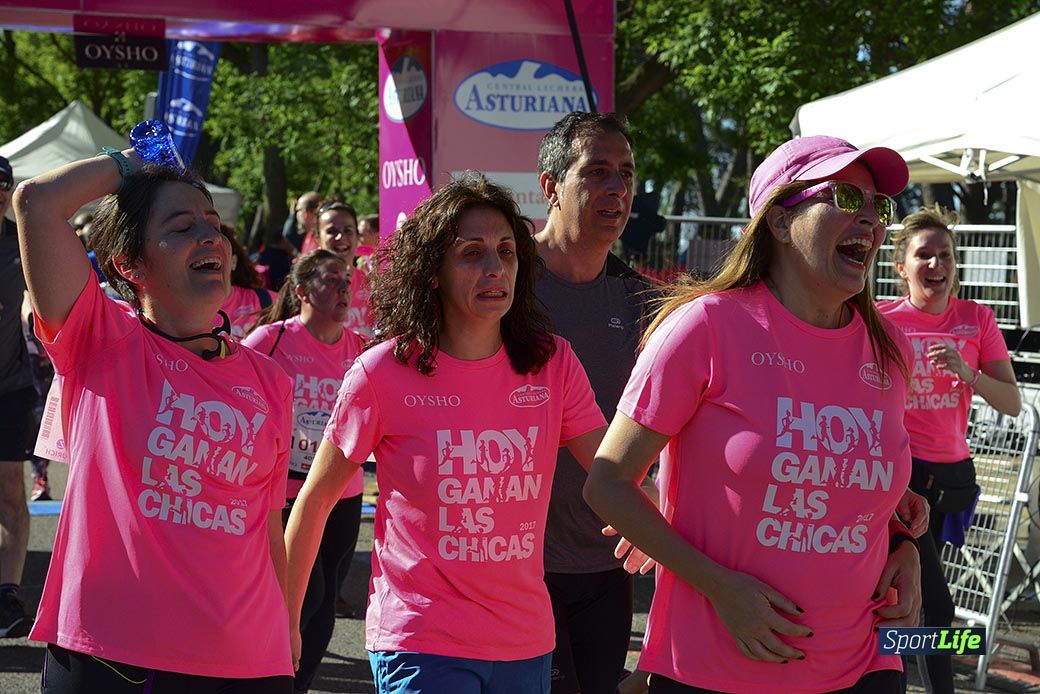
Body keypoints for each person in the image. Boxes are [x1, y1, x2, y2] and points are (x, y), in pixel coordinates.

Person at [585, 135, 927, 693]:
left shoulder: (889, 347)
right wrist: (721, 588)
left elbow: (861, 479)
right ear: (779, 221)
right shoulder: (705, 328)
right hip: (712, 667)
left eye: (878, 206)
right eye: (844, 197)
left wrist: (903, 546)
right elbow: (608, 483)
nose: (869, 219)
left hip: (862, 665)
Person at [284, 173, 609, 694]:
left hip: (525, 641)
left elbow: (615, 474)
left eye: (506, 251)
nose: (493, 267)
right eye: (471, 252)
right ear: (432, 271)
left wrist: (670, 540)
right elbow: (316, 500)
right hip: (419, 639)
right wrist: (286, 620)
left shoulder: (554, 364)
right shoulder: (381, 372)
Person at [14, 149, 294, 692]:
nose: (210, 235)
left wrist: (284, 631)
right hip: (114, 656)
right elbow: (38, 202)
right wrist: (137, 159)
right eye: (182, 225)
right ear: (130, 264)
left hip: (246, 660)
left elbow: (266, 526)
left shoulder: (270, 380)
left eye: (213, 223)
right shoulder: (101, 337)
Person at [534, 111, 655, 694]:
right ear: (551, 185)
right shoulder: (501, 283)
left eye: (627, 174)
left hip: (610, 562)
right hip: (518, 563)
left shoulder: (641, 300)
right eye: (598, 171)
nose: (617, 188)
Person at [878, 204, 1021, 694]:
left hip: (953, 479)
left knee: (915, 600)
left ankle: (885, 673)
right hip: (899, 476)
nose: (936, 266)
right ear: (901, 267)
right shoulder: (881, 319)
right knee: (932, 605)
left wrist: (970, 374)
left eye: (945, 256)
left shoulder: (976, 319)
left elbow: (1012, 402)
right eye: (924, 256)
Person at [242, 249, 365, 693]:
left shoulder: (361, 351)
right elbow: (235, 398)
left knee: (327, 597)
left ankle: (300, 683)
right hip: (287, 495)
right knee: (302, 595)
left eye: (347, 283)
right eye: (331, 281)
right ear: (300, 291)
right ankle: (273, 675)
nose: (342, 290)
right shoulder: (269, 341)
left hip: (344, 494)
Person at [0, 154, 33, 638]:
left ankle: (7, 594)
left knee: (9, 487)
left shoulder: (23, 244)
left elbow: (37, 296)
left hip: (10, 386)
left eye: (2, 185)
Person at [221, 224, 277, 339]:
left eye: (219, 252)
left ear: (234, 262)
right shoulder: (178, 312)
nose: (212, 260)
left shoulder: (267, 301)